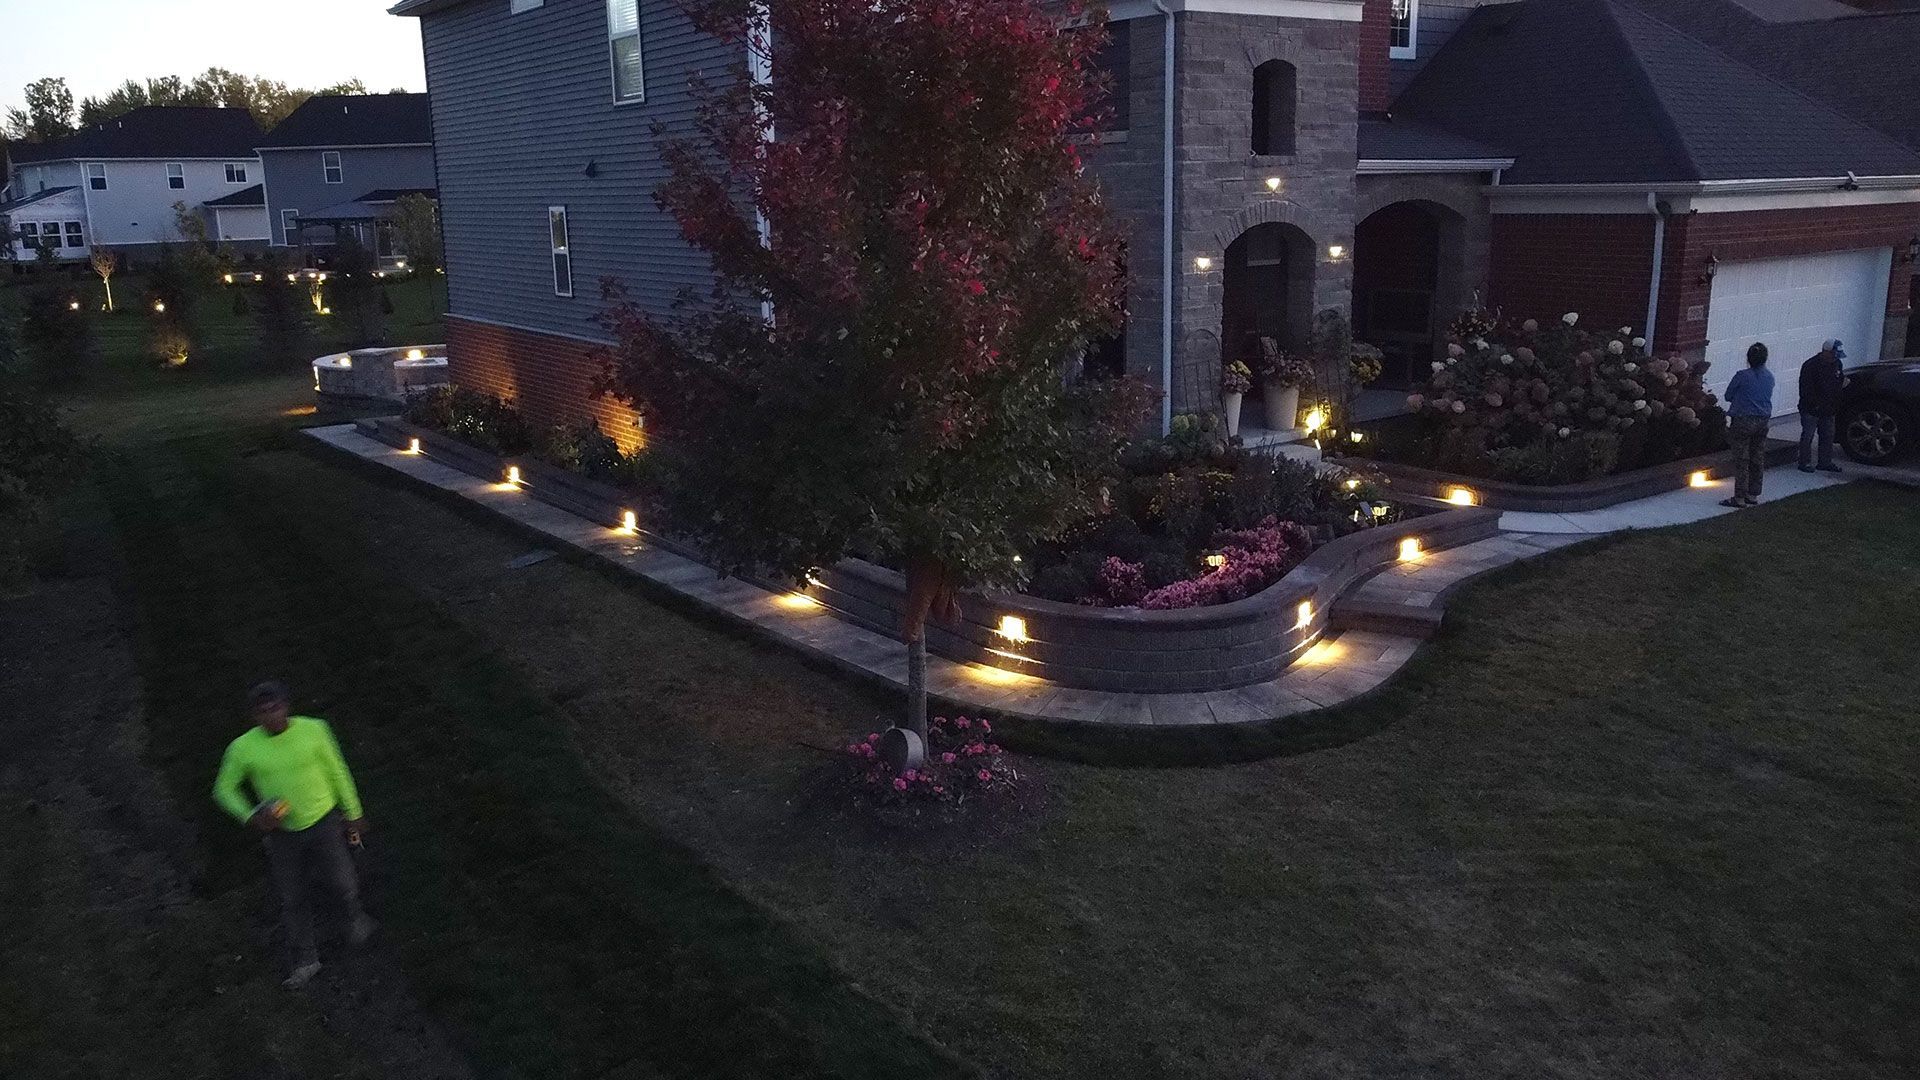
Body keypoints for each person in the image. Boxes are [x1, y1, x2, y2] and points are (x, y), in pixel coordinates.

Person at [213, 681, 373, 989]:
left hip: (325, 822)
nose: (271, 716)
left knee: (344, 881)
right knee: (292, 897)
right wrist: (251, 817)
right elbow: (223, 789)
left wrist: (354, 813)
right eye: (263, 712)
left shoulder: (315, 730)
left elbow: (337, 770)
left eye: (275, 708)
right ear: (254, 717)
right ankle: (306, 960)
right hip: (283, 835)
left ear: (287, 706)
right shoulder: (243, 748)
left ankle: (355, 920)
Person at [1722, 342, 1775, 508]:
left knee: (1742, 459)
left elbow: (1728, 396)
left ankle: (1739, 497)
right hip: (1763, 420)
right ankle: (1753, 494)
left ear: (1749, 358)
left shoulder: (1742, 376)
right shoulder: (1769, 376)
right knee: (1757, 456)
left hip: (1743, 420)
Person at [1797, 339, 1846, 473]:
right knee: (1808, 435)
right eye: (1833, 354)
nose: (1835, 358)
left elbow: (1839, 381)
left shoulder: (1837, 364)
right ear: (1826, 352)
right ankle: (1804, 462)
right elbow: (1806, 389)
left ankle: (1825, 462)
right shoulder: (1810, 365)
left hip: (1829, 408)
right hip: (1811, 409)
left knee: (1828, 435)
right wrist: (1815, 404)